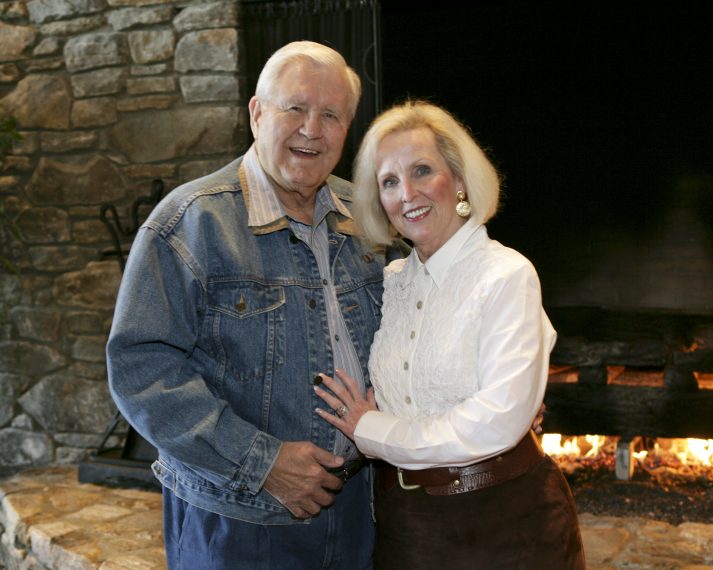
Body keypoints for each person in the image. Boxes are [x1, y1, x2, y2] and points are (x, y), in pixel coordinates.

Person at [106, 41, 405, 569]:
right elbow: (142, 371)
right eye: (295, 108)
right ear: (256, 112)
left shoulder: (369, 219)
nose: (312, 129)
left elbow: (419, 321)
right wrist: (264, 463)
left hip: (361, 509)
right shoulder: (190, 223)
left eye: (331, 115)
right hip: (236, 519)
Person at [314, 100, 586, 569]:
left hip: (504, 520)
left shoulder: (506, 274)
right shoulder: (392, 280)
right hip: (405, 524)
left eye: (422, 170)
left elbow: (497, 419)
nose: (407, 194)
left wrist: (373, 430)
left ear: (459, 179)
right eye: (389, 182)